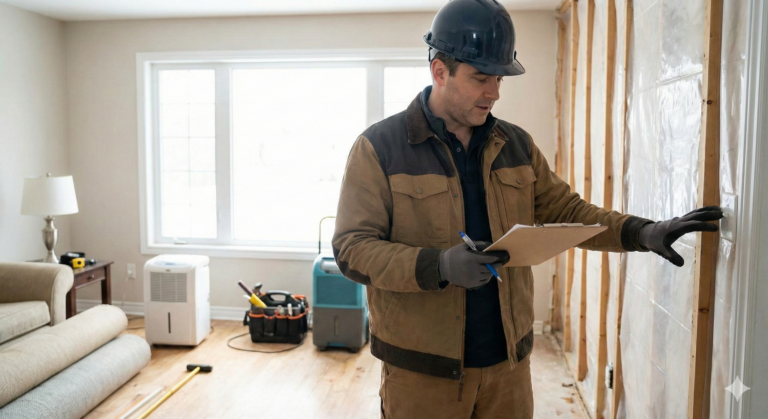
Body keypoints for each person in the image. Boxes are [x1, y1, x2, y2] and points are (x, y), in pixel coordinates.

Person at [332, 0, 723, 418]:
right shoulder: (379, 148)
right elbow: (352, 250)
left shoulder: (515, 144)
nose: (494, 92)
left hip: (508, 370)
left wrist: (639, 232)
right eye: (481, 77)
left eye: (499, 78)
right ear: (440, 71)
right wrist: (439, 266)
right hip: (422, 374)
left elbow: (566, 211)